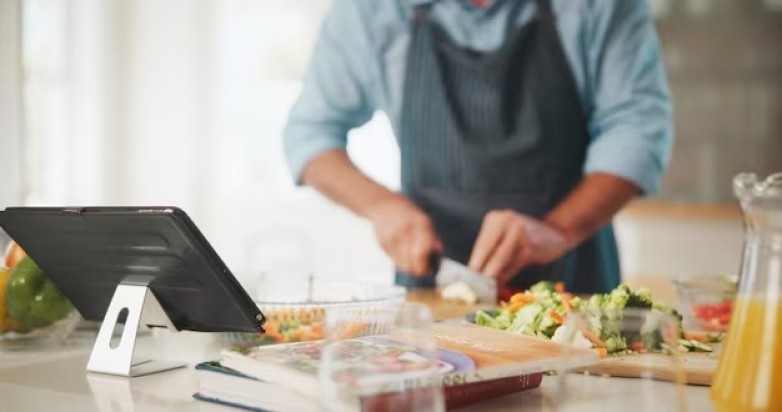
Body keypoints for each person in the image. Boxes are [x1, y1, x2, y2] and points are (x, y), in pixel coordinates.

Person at [283, 0, 672, 295]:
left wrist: (559, 229)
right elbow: (312, 134)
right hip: (432, 284)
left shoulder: (601, 7)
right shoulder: (371, 11)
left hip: (573, 277)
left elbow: (637, 129)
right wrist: (383, 207)